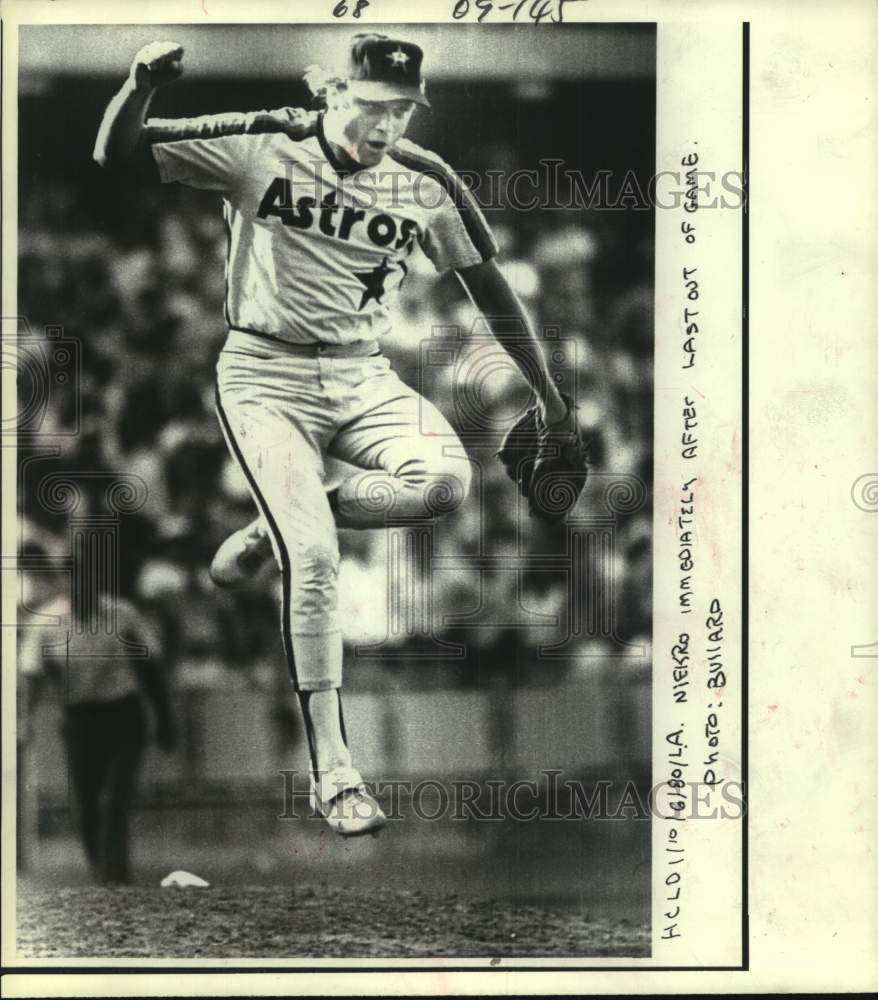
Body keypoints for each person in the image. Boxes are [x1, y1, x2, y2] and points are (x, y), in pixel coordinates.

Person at [93, 32, 582, 837]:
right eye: (378, 105)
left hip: (362, 371)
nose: (391, 123)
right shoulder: (264, 140)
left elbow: (490, 288)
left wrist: (552, 401)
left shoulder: (423, 179)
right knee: (314, 557)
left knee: (444, 482)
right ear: (339, 94)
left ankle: (283, 516)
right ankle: (336, 774)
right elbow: (118, 151)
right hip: (264, 373)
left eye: (405, 108)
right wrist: (140, 81)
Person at [19, 565, 178, 884]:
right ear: (63, 582)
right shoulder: (47, 622)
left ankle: (116, 878)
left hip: (123, 716)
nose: (80, 584)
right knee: (87, 805)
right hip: (80, 720)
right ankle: (102, 875)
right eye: (72, 577)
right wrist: (24, 719)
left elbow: (150, 667)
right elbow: (32, 676)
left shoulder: (122, 615)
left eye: (86, 576)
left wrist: (164, 717)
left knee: (113, 799)